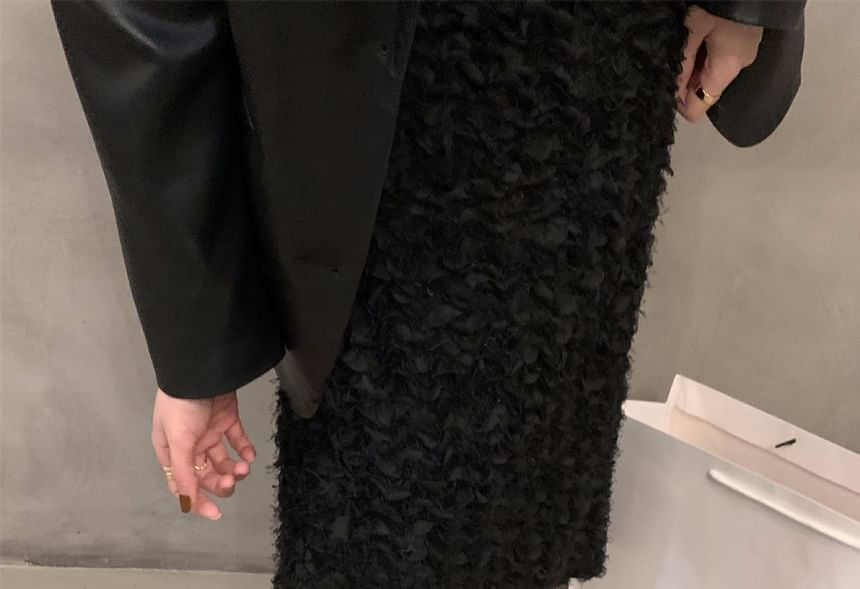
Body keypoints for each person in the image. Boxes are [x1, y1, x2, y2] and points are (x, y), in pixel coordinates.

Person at [52, 1, 805, 587]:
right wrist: (198, 336)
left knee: (529, 493)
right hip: (373, 99)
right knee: (387, 517)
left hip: (590, 67)